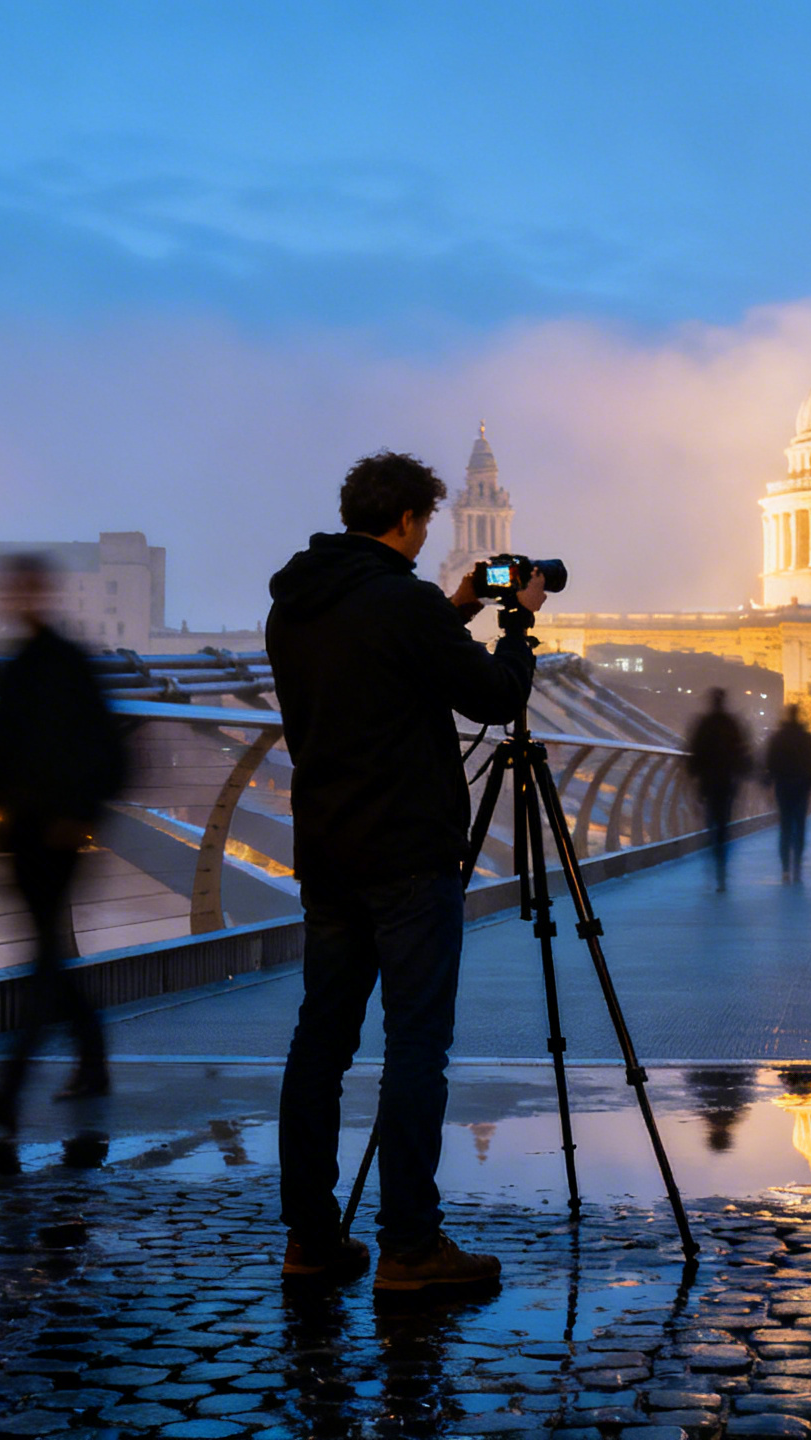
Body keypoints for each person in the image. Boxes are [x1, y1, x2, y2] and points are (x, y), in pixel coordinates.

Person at [267, 449, 543, 1290]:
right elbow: (495, 699)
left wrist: (449, 610)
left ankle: (312, 1238)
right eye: (424, 524)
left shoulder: (294, 607)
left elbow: (375, 668)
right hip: (409, 855)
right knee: (416, 1046)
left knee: (320, 1043)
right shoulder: (406, 602)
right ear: (410, 521)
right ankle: (411, 1246)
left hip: (327, 851)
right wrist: (517, 627)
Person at [0, 555, 129, 1133]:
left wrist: (75, 814)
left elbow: (111, 754)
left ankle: (8, 1091)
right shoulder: (29, 666)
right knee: (50, 953)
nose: (15, 596)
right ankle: (92, 1058)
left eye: (24, 587)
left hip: (54, 834)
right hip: (25, 831)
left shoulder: (58, 664)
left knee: (42, 959)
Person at [686, 689, 752, 891]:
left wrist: (693, 777)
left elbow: (694, 752)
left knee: (711, 823)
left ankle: (714, 857)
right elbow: (742, 751)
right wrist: (741, 774)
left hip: (708, 781)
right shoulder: (731, 725)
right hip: (727, 782)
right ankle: (721, 868)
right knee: (724, 825)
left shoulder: (704, 724)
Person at [764, 704, 811, 882]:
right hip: (802, 785)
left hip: (783, 785)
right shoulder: (807, 738)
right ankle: (797, 863)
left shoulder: (778, 738)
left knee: (785, 826)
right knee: (800, 825)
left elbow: (771, 762)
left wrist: (769, 783)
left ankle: (785, 869)